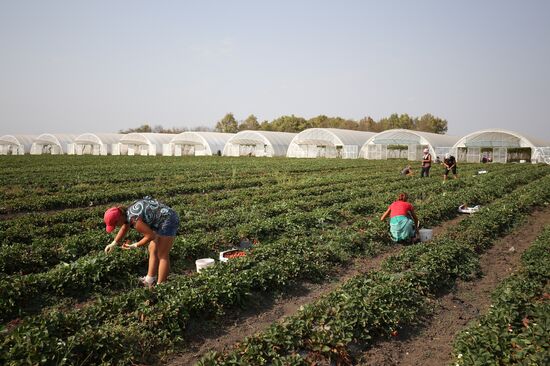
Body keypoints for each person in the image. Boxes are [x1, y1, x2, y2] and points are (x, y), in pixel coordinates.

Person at [103, 196, 180, 287]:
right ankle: (150, 279)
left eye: (115, 224)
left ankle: (161, 286)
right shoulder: (126, 213)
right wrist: (113, 243)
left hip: (168, 219)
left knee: (162, 254)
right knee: (152, 248)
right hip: (159, 219)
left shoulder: (134, 219)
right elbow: (125, 227)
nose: (116, 227)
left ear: (119, 218)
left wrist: (135, 245)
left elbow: (150, 236)